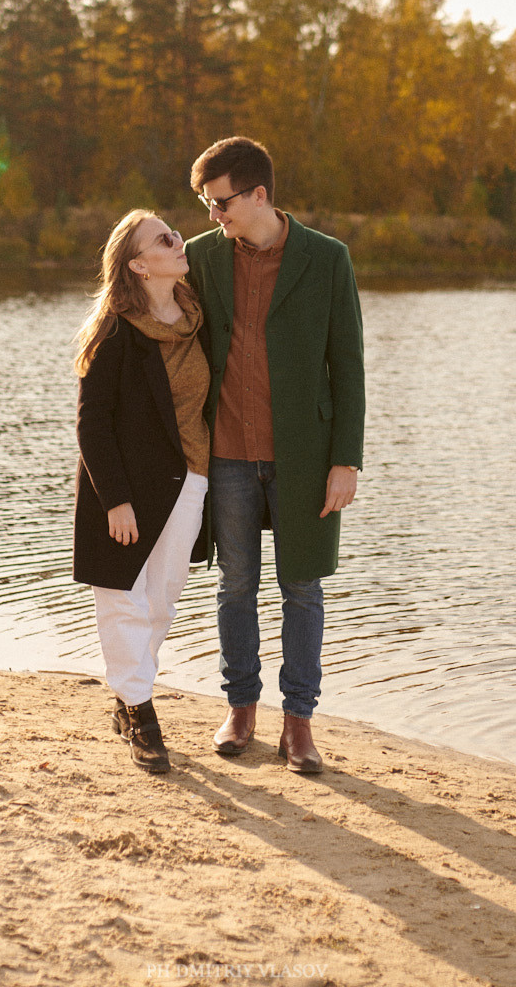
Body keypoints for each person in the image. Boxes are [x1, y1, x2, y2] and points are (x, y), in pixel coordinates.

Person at [184, 137, 365, 774]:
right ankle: (240, 709)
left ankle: (299, 722)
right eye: (207, 204)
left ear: (258, 194)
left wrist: (346, 461)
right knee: (235, 585)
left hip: (305, 457)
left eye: (221, 202)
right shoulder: (201, 257)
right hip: (227, 454)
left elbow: (348, 365)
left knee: (302, 588)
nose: (213, 215)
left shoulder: (327, 258)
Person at [72, 209, 211, 775]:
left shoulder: (198, 318)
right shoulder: (115, 332)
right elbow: (92, 424)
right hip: (125, 490)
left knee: (160, 602)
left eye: (174, 233)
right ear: (138, 265)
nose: (179, 242)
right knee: (121, 598)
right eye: (164, 239)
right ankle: (141, 715)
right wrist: (116, 500)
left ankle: (127, 696)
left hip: (190, 479)